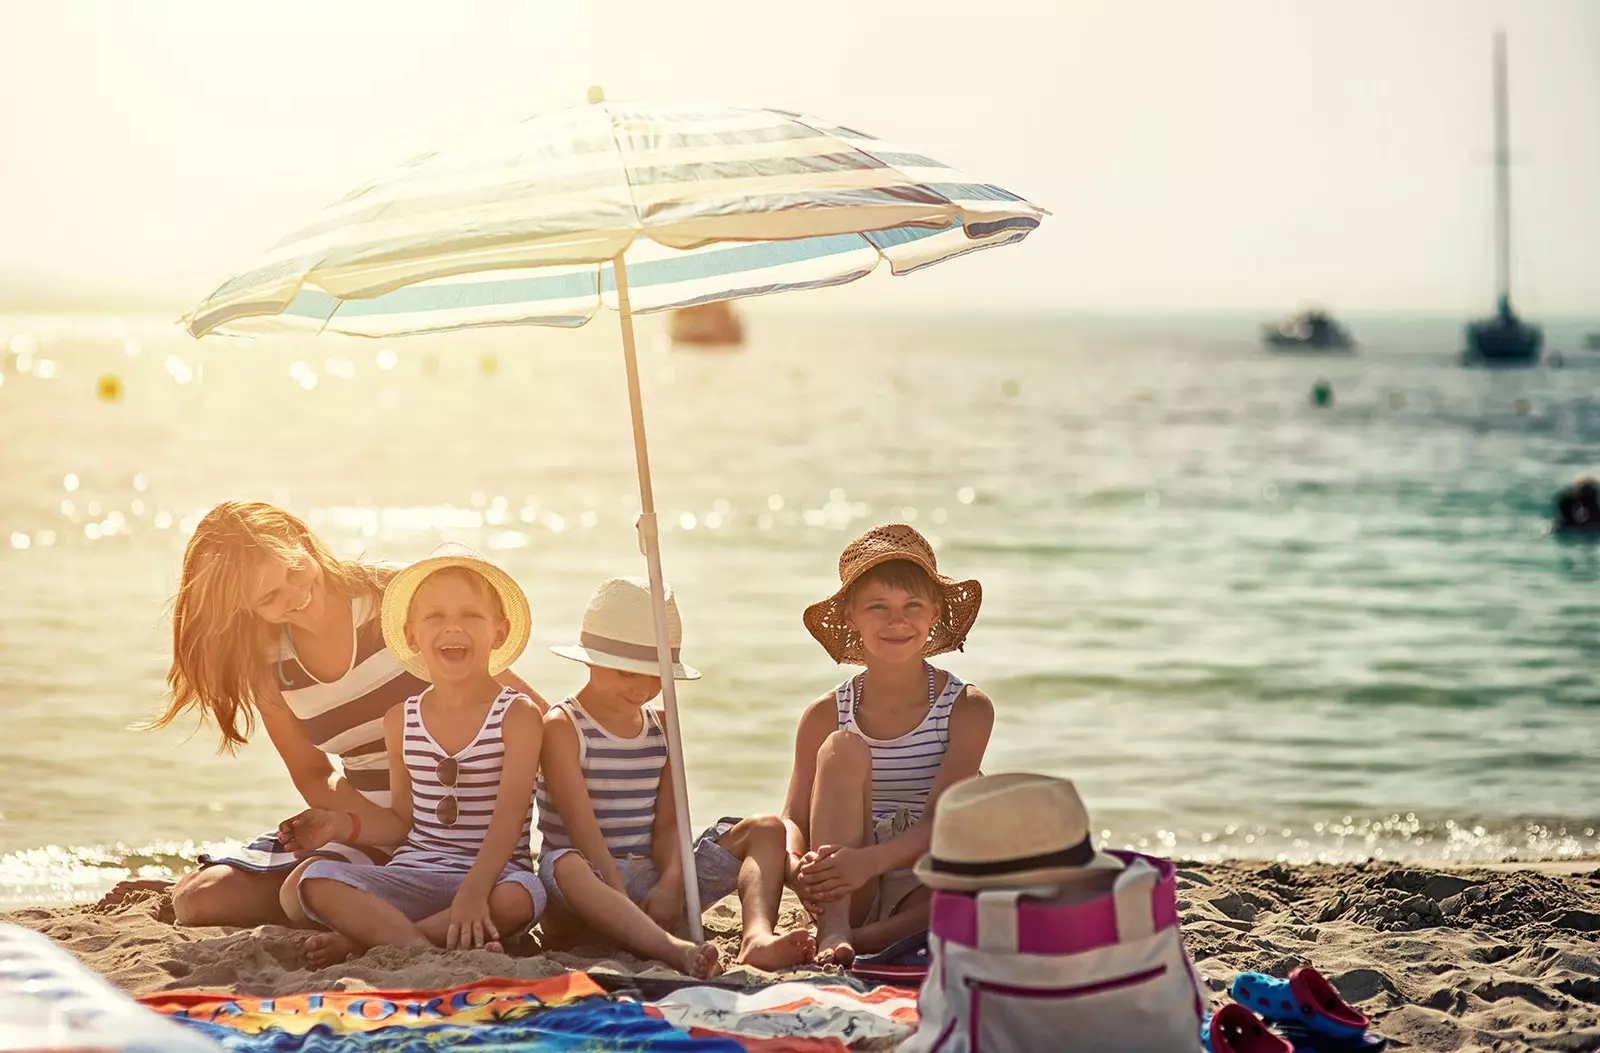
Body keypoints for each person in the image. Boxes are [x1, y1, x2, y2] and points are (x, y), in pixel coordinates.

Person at [150, 502, 545, 927]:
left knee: (299, 895)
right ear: (245, 606)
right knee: (200, 900)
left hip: (462, 823)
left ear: (303, 542)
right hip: (372, 821)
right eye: (269, 597)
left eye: (294, 571)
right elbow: (312, 774)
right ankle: (392, 906)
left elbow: (530, 711)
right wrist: (367, 826)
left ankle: (386, 917)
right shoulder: (268, 664)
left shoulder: (398, 597)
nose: (295, 596)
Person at [534, 577, 814, 978]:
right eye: (626, 672)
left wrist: (669, 884)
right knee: (565, 864)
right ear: (590, 659)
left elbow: (667, 824)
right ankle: (671, 948)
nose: (642, 687)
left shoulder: (662, 725)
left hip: (650, 878)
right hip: (589, 884)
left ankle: (756, 938)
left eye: (654, 675)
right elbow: (582, 831)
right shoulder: (563, 726)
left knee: (767, 829)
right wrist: (618, 893)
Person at [290, 544, 546, 965]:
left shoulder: (516, 714)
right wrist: (340, 825)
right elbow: (401, 822)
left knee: (523, 896)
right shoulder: (400, 721)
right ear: (411, 636)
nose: (452, 628)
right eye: (435, 617)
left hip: (493, 875)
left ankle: (372, 942)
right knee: (316, 879)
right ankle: (433, 942)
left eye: (470, 616)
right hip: (414, 874)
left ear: (498, 632)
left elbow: (510, 817)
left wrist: (475, 891)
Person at [781, 524, 995, 966]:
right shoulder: (825, 714)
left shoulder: (966, 708)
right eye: (877, 607)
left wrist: (872, 861)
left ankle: (861, 939)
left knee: (979, 854)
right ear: (851, 617)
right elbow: (793, 816)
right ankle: (837, 925)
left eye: (912, 605)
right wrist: (796, 864)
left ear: (934, 612)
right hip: (847, 875)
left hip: (923, 873)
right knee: (842, 748)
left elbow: (941, 820)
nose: (897, 621)